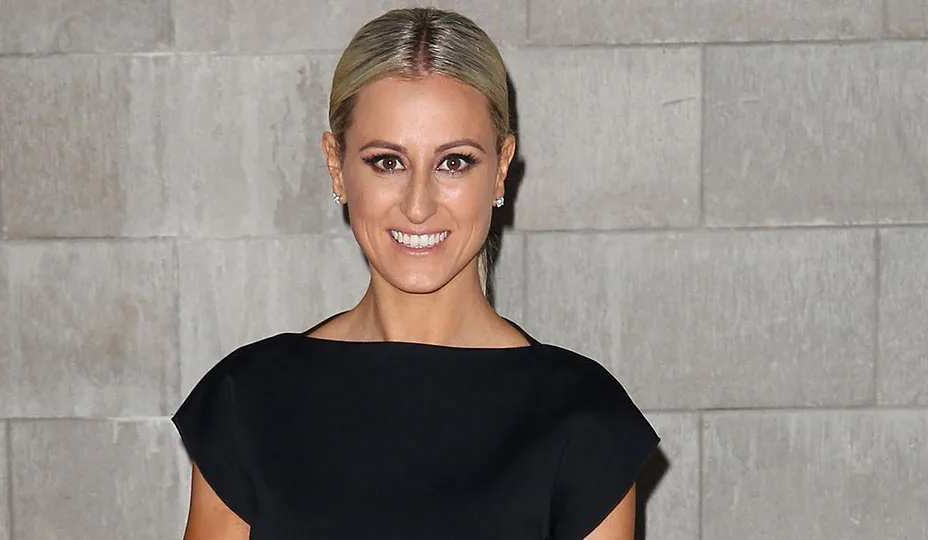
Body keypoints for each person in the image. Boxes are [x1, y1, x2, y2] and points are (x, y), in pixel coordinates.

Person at [173, 7, 659, 540]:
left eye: (454, 162)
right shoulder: (247, 403)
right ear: (337, 166)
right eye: (387, 162)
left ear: (500, 168)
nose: (419, 204)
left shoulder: (583, 418)